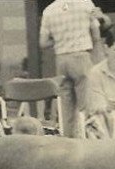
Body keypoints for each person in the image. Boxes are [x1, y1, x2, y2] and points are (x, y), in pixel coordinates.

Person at [39, 0, 101, 138]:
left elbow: (43, 43)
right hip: (81, 56)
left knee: (66, 108)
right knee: (85, 105)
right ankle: (88, 140)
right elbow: (96, 35)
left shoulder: (49, 10)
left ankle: (69, 142)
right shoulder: (86, 4)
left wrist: (60, 41)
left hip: (61, 60)